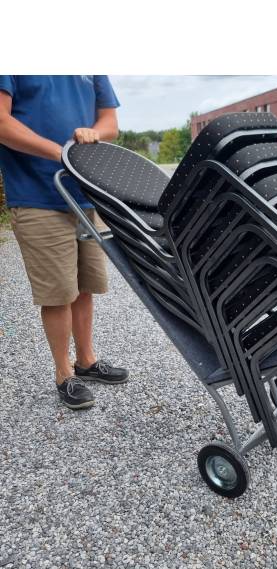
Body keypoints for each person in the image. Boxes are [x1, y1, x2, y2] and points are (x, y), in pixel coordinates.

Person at [0, 75, 128, 410]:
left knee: (85, 286)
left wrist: (95, 134)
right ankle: (63, 374)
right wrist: (62, 154)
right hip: (37, 195)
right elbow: (2, 122)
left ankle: (86, 361)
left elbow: (109, 120)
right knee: (58, 293)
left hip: (84, 194)